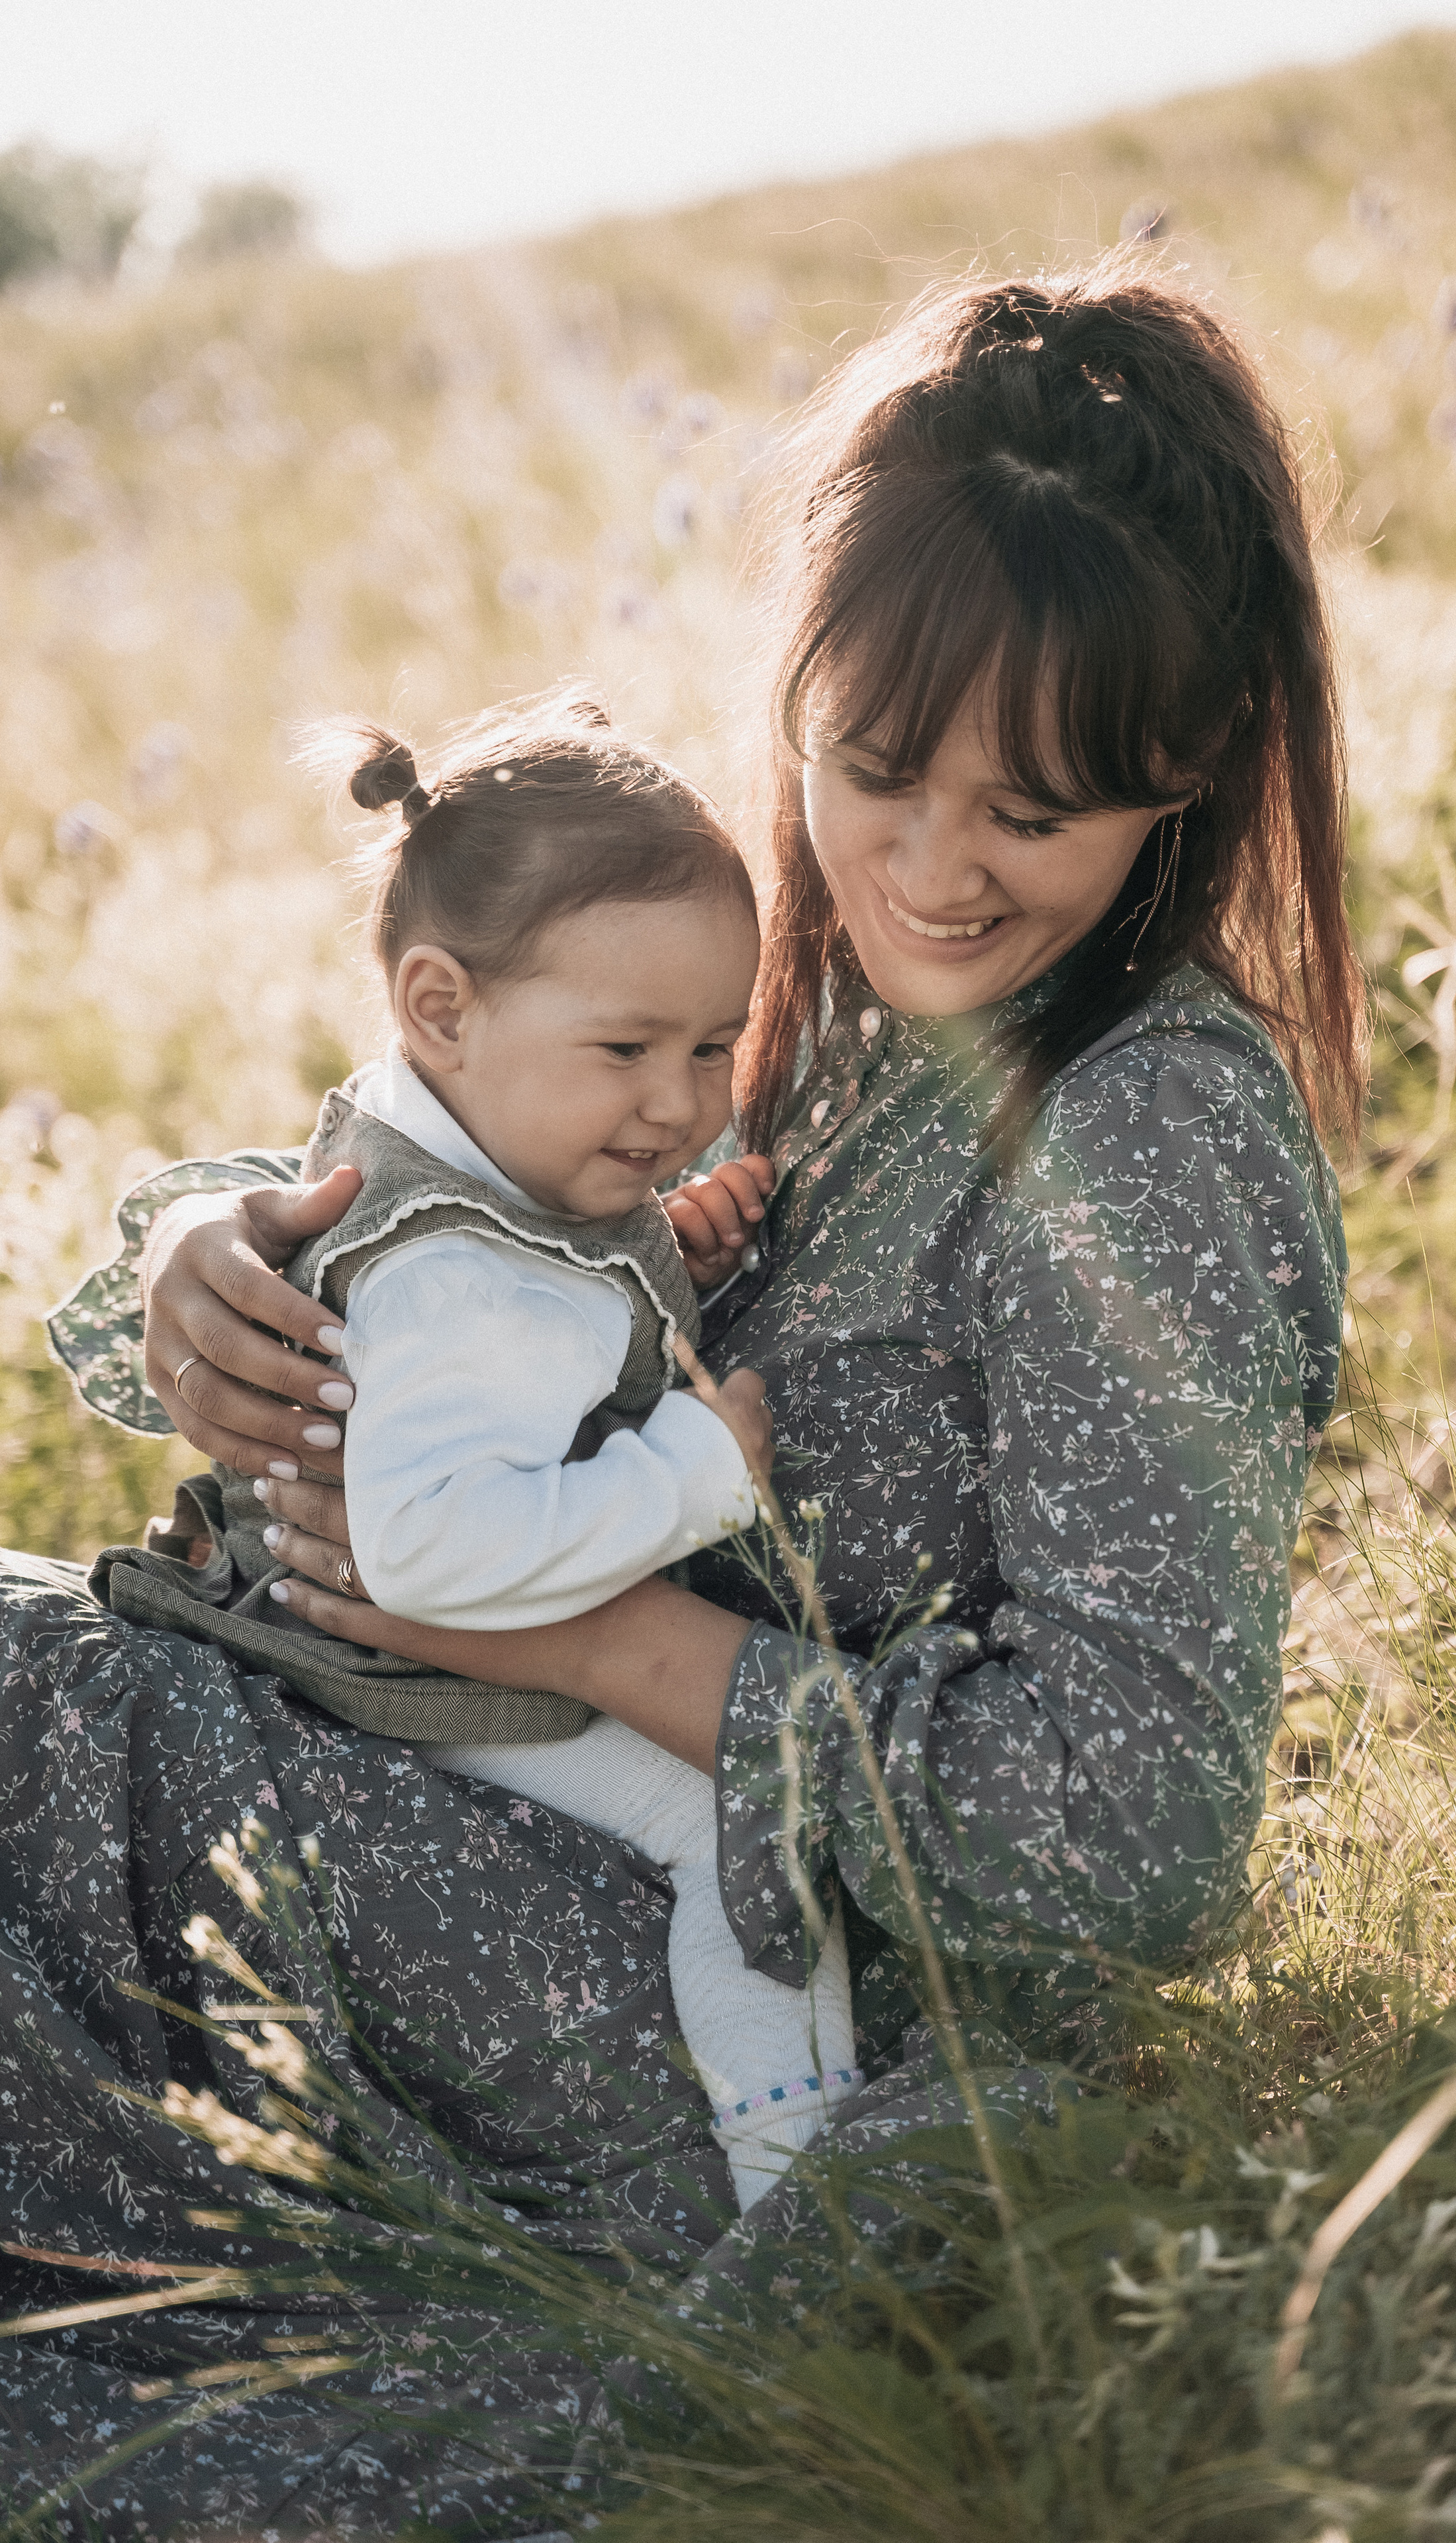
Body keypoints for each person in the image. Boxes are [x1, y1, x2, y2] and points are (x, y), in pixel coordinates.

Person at [7, 249, 1361, 2532]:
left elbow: (1131, 1840)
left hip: (715, 1994)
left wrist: (578, 1637)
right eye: (873, 769)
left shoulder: (1147, 1136)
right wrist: (204, 1268)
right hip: (474, 1802)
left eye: (1027, 809)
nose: (932, 867)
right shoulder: (801, 1012)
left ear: (1193, 758)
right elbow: (508, 1212)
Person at [92, 694, 857, 2214]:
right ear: (438, 1007)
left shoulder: (459, 1145)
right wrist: (701, 1471)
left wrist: (654, 1242)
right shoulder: (464, 1282)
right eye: (628, 1048)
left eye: (713, 1046)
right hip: (402, 1675)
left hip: (340, 1634)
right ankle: (803, 2196)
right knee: (745, 1832)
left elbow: (553, 1305)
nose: (683, 1102)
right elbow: (439, 1550)